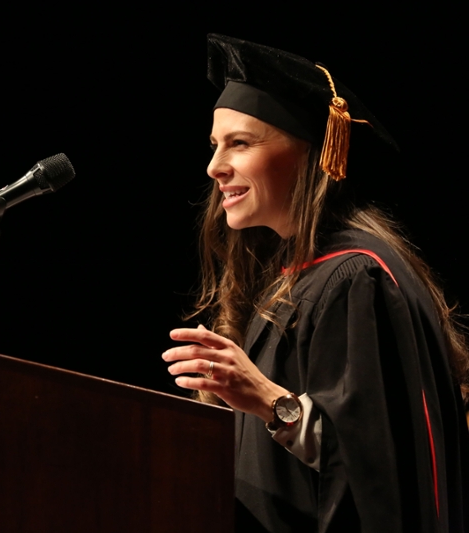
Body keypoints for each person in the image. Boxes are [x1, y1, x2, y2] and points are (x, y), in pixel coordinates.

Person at [161, 34, 469, 532]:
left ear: (310, 153)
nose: (214, 166)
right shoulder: (296, 277)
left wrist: (266, 399)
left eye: (239, 143)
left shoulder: (357, 277)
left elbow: (379, 469)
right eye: (215, 144)